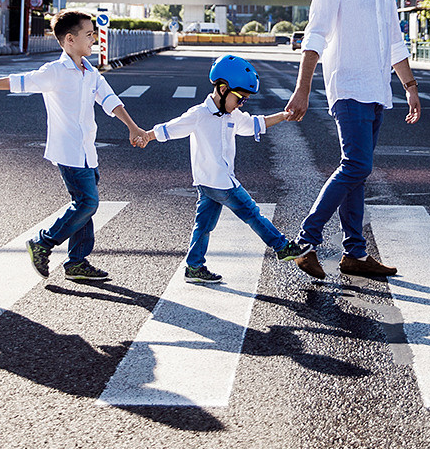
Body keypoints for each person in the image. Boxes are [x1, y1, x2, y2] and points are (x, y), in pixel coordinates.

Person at [285, 0, 421, 280]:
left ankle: (355, 254)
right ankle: (306, 241)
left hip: (377, 90)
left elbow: (395, 40)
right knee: (357, 165)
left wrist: (410, 87)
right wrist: (302, 89)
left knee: (357, 175)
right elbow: (315, 36)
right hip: (348, 87)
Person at [0, 10, 145, 281]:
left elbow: (109, 100)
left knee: (84, 205)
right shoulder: (55, 72)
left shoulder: (90, 71)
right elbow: (18, 83)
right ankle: (43, 243)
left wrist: (133, 127)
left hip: (88, 150)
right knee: (87, 203)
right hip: (69, 150)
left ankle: (77, 262)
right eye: (89, 34)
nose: (94, 39)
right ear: (69, 39)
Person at [133, 55, 311, 283]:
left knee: (204, 225)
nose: (241, 104)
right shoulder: (199, 114)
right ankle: (281, 246)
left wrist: (283, 117)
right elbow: (172, 128)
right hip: (222, 183)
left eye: (244, 100)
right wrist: (147, 136)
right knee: (252, 213)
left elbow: (254, 124)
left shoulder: (232, 115)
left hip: (208, 184)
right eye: (240, 98)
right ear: (223, 88)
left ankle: (194, 267)